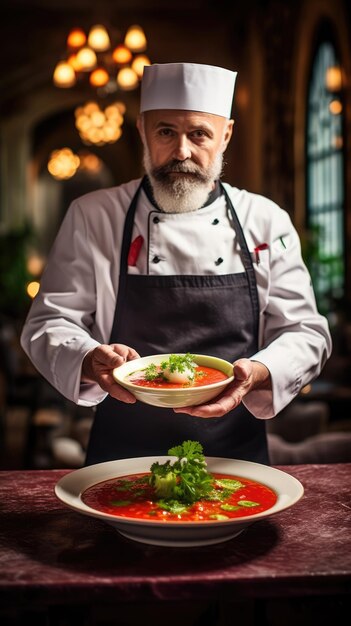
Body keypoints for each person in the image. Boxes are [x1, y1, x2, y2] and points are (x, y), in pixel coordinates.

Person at [20, 62, 332, 466]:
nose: (181, 152)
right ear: (142, 131)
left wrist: (259, 371)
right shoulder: (94, 215)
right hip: (120, 454)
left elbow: (307, 332)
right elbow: (47, 323)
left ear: (226, 135)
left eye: (199, 133)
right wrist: (87, 357)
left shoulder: (265, 219)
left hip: (236, 458)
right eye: (166, 131)